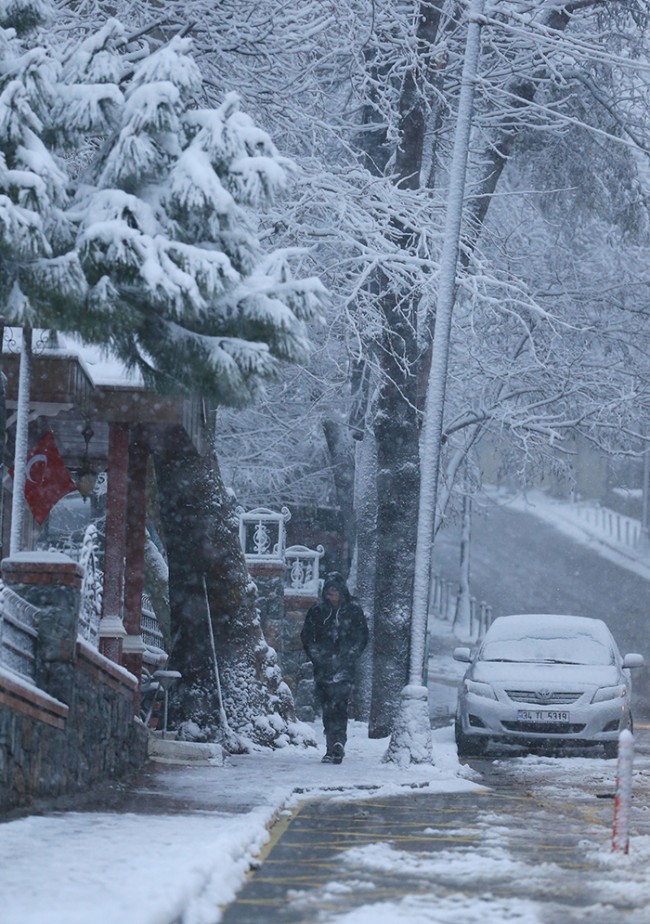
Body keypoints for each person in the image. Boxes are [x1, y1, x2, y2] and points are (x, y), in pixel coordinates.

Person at [301, 571, 369, 764]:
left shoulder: (353, 611)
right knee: (328, 707)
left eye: (335, 591)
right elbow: (307, 637)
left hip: (344, 668)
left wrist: (349, 656)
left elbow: (362, 637)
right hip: (323, 668)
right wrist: (318, 657)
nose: (332, 595)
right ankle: (332, 744)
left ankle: (338, 742)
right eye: (329, 591)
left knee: (339, 705)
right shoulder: (317, 611)